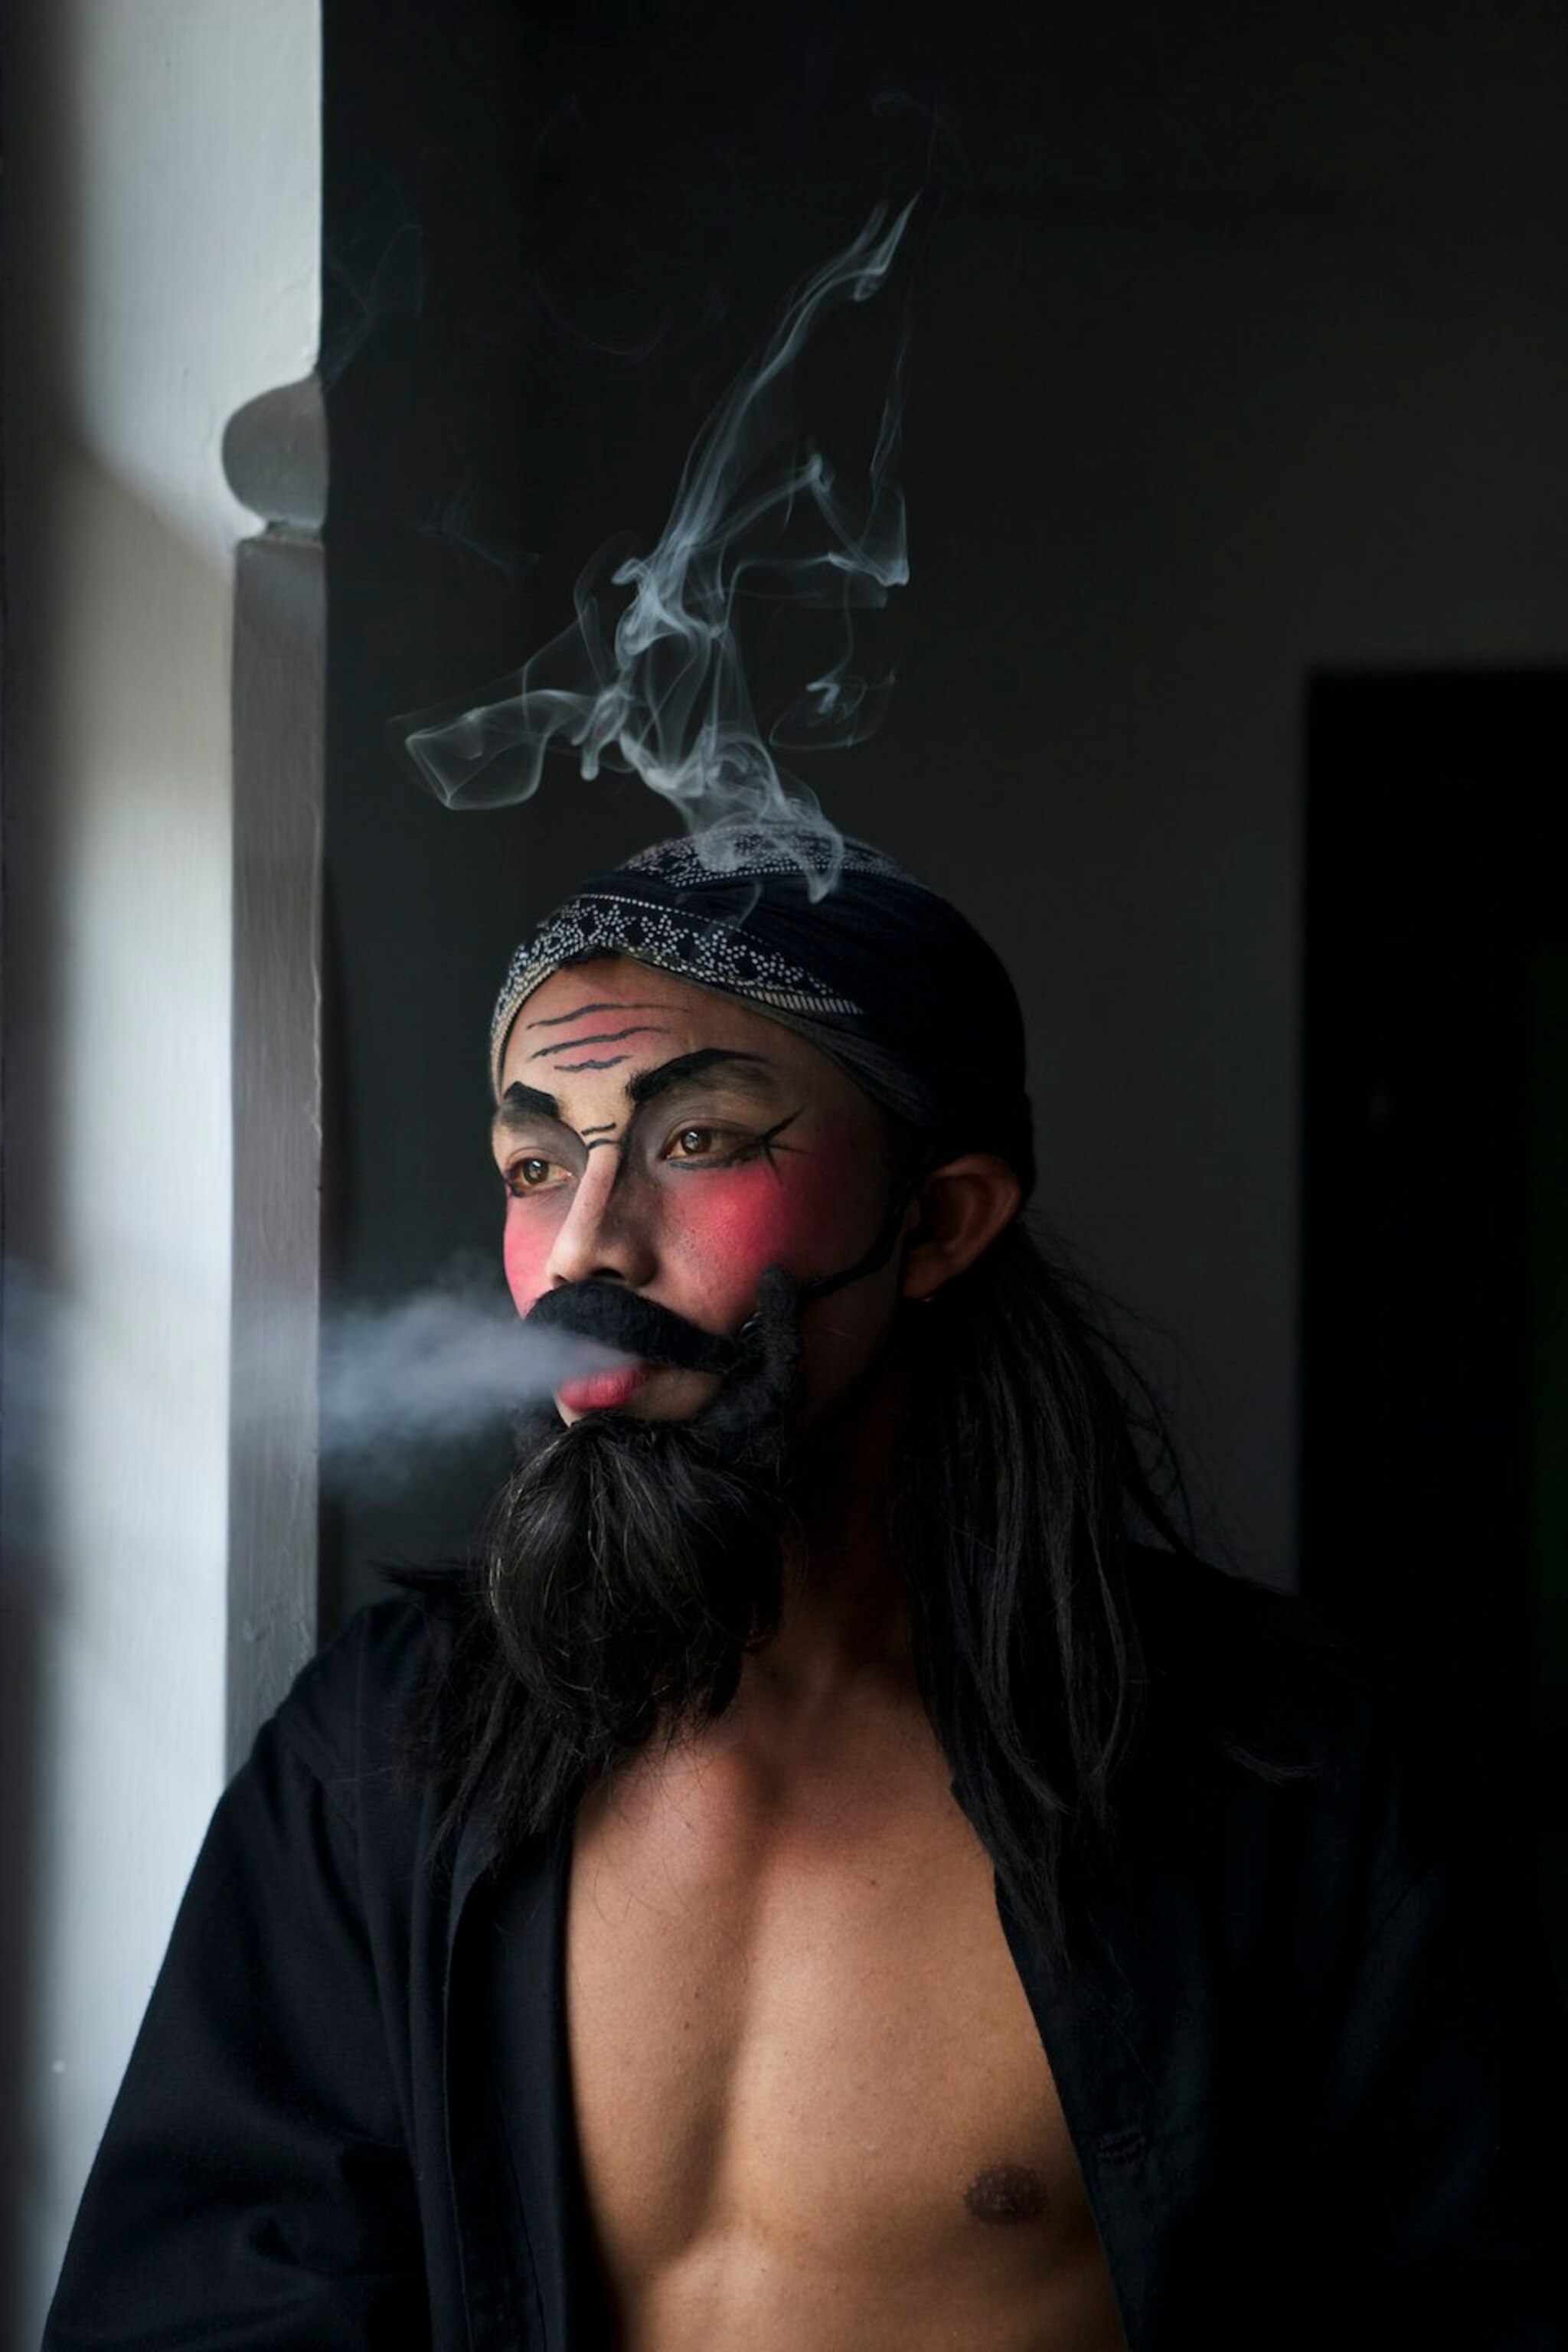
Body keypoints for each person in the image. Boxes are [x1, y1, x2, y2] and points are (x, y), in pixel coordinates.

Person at [45, 828, 1568, 2350]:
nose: (587, 1243)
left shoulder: (1300, 1788)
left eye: (694, 1142)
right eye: (535, 1160)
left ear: (940, 1220)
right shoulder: (378, 1753)